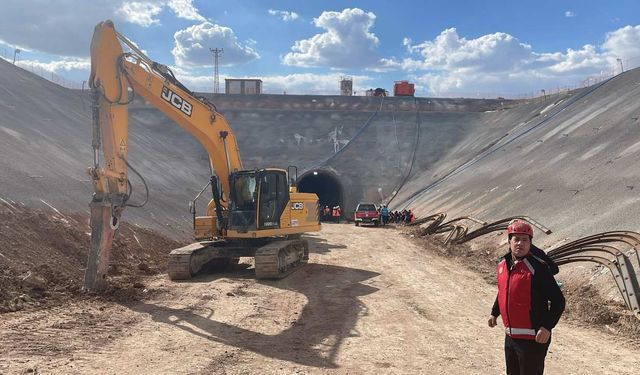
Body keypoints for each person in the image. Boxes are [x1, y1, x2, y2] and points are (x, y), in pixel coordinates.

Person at [488, 220, 565, 375]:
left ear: (531, 243)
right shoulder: (503, 265)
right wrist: (494, 312)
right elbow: (504, 290)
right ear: (509, 241)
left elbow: (558, 301)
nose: (520, 243)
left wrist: (547, 327)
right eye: (516, 239)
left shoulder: (538, 268)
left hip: (533, 339)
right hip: (510, 336)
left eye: (525, 240)